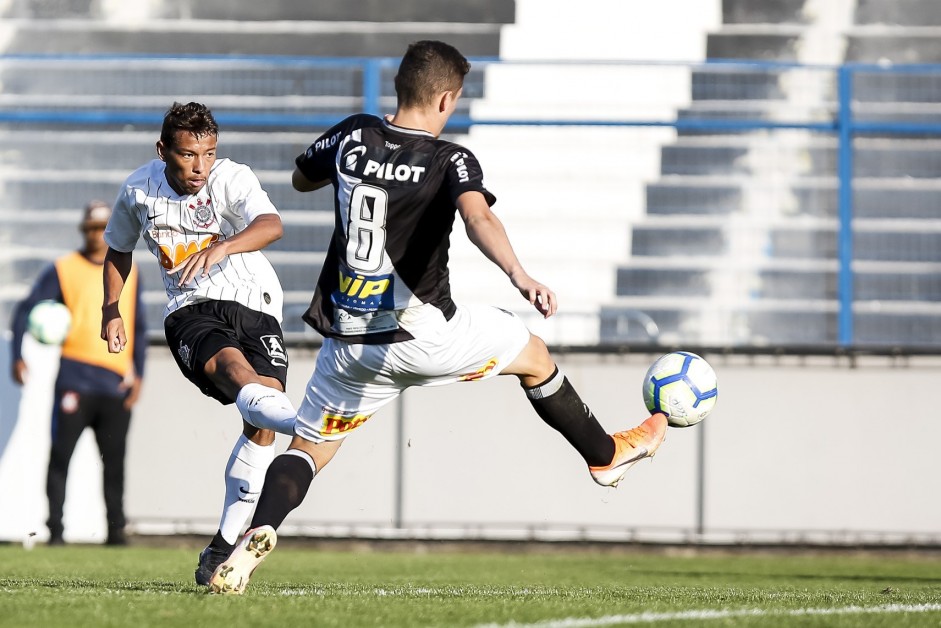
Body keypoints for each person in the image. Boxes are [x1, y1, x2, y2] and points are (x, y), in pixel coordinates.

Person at [208, 41, 668, 595]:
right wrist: (520, 276)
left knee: (306, 450)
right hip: (423, 333)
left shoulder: (353, 135)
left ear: (400, 88)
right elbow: (479, 218)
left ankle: (253, 540)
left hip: (350, 339)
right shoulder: (450, 158)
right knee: (533, 353)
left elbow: (301, 179)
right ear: (447, 97)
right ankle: (605, 455)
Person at [100, 102, 298, 585]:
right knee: (238, 375)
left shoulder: (231, 177)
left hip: (257, 303)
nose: (200, 167)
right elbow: (118, 251)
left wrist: (224, 245)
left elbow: (272, 225)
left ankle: (224, 546)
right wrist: (111, 310)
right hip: (191, 310)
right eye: (189, 156)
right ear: (163, 150)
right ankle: (312, 424)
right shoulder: (139, 189)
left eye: (208, 154)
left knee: (260, 422)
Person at [9, 200, 146, 546]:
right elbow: (24, 310)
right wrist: (17, 356)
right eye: (90, 228)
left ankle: (116, 533)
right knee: (61, 458)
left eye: (102, 227)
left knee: (115, 463)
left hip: (116, 383)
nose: (96, 234)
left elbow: (140, 327)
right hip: (74, 379)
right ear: (83, 231)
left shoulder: (130, 270)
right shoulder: (64, 268)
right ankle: (55, 530)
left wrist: (140, 375)